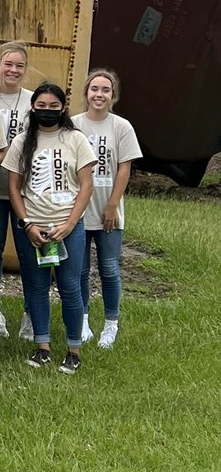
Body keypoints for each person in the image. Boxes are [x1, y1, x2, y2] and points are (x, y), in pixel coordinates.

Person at [2, 83, 95, 375]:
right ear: (33, 108)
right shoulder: (21, 142)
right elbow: (14, 188)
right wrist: (27, 223)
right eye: (41, 106)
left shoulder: (76, 139)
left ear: (63, 108)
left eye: (53, 106)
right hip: (33, 228)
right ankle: (42, 347)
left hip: (67, 228)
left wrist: (69, 225)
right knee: (36, 287)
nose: (47, 111)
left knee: (70, 287)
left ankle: (73, 350)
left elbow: (86, 186)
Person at [72, 69, 141, 349]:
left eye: (105, 90)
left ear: (113, 95)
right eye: (95, 89)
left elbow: (124, 168)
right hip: (79, 211)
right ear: (86, 92)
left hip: (108, 211)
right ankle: (84, 321)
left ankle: (111, 324)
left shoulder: (121, 126)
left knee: (109, 268)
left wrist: (113, 204)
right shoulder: (74, 125)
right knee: (80, 270)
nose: (99, 95)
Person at [0, 41, 32, 337]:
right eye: (8, 64)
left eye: (19, 66)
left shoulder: (31, 100)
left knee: (29, 252)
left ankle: (31, 312)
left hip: (25, 191)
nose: (13, 70)